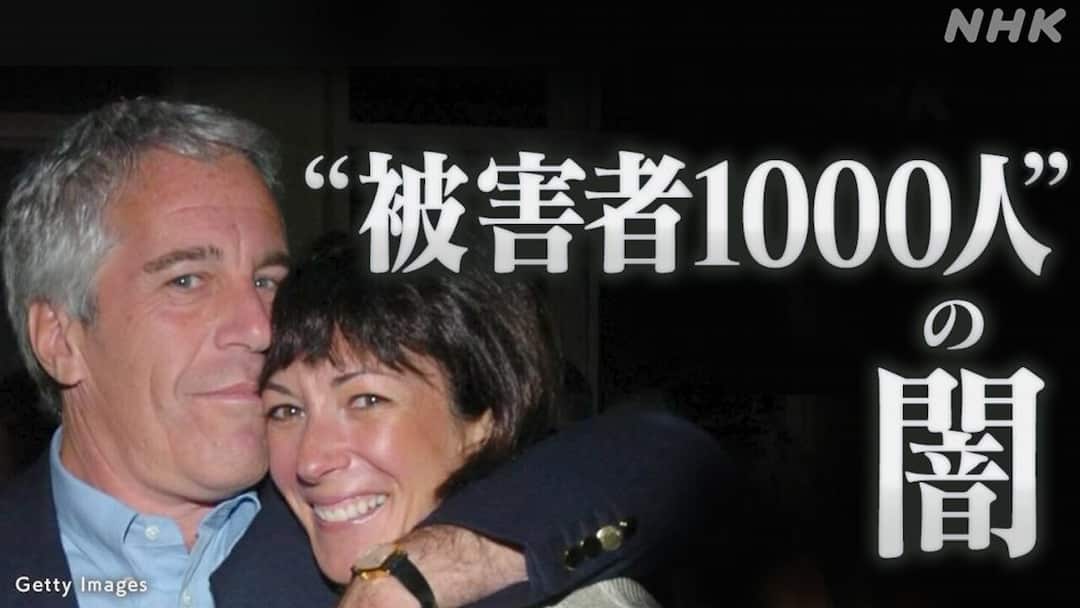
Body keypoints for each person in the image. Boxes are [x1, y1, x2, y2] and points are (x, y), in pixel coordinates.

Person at [0, 98, 731, 607]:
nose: (260, 325)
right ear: (59, 338)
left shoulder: (343, 514)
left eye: (267, 279)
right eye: (187, 280)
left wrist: (454, 558)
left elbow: (667, 456)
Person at [259, 231, 661, 607]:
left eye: (366, 400)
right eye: (286, 410)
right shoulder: (265, 559)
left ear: (485, 418)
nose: (310, 461)